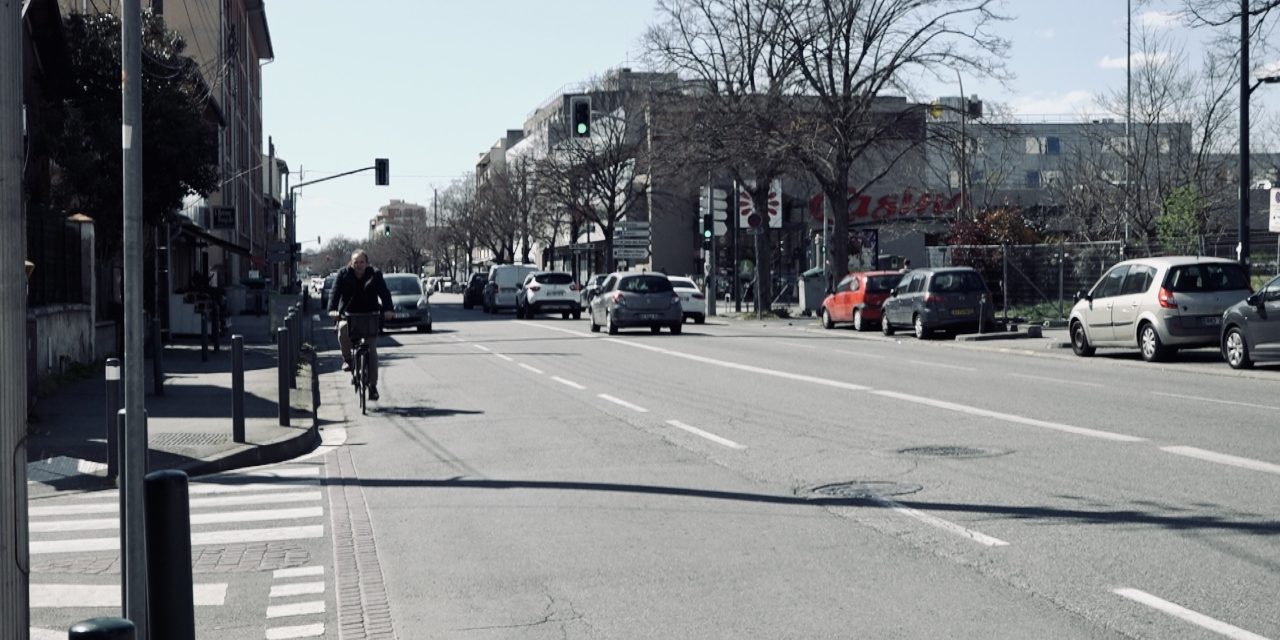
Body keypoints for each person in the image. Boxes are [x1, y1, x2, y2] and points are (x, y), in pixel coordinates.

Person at [327, 249, 394, 401]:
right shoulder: (343, 274)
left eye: (361, 262)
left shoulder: (375, 275)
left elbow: (384, 293)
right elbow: (334, 293)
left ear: (367, 263)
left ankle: (372, 386)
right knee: (342, 329)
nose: (358, 265)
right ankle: (348, 360)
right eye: (355, 262)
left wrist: (388, 309)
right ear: (351, 263)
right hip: (349, 314)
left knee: (372, 350)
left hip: (370, 315)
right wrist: (332, 310)